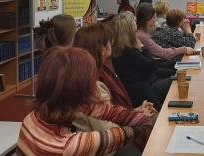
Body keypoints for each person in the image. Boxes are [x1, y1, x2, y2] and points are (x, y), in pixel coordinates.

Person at [16, 46, 152, 156]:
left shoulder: (31, 118)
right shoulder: (72, 146)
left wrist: (81, 103)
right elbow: (143, 123)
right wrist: (87, 103)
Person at [73, 23, 158, 124]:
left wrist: (135, 112)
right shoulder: (95, 81)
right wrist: (138, 118)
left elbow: (110, 112)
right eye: (110, 41)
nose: (112, 44)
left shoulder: (100, 69)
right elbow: (107, 123)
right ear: (102, 49)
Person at [110, 11, 173, 111]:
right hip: (146, 87)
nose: (136, 23)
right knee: (177, 81)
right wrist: (142, 47)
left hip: (147, 83)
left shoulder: (121, 48)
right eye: (134, 21)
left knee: (175, 74)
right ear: (130, 27)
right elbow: (152, 65)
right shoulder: (129, 51)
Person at [136, 3, 195, 69]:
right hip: (152, 68)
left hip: (156, 62)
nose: (156, 19)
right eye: (154, 17)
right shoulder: (142, 36)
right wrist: (188, 31)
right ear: (147, 19)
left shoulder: (145, 31)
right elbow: (163, 53)